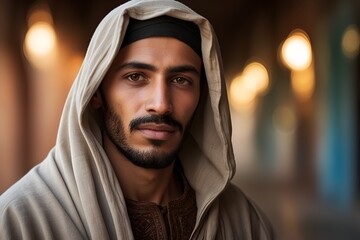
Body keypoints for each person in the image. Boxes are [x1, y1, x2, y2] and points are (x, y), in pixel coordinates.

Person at [0, 0, 273, 239]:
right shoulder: (20, 222)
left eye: (181, 80)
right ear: (96, 93)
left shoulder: (244, 222)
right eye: (136, 77)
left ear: (202, 96)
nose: (161, 104)